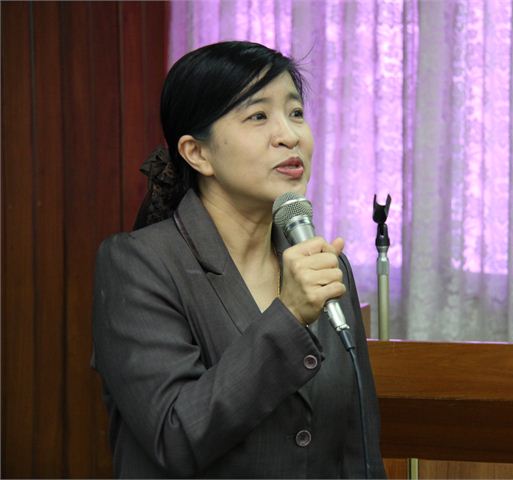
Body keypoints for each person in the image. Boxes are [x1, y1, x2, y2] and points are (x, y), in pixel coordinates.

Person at [91, 41, 386, 478]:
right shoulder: (138, 265)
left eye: (296, 112)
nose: (290, 135)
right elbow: (175, 435)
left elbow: (356, 447)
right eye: (258, 116)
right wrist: (289, 315)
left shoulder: (322, 265)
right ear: (198, 153)